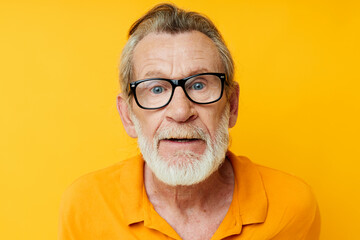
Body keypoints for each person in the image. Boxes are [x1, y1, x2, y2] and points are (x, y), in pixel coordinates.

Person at [59, 3, 320, 240]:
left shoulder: (291, 205)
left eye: (198, 85)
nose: (181, 111)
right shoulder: (85, 205)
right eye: (157, 89)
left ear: (231, 105)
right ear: (127, 115)